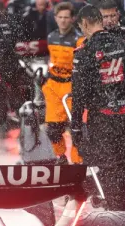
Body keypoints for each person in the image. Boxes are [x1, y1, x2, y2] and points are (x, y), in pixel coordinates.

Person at [71, 5, 125, 211]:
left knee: (107, 167)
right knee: (123, 166)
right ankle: (124, 209)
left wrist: (75, 125)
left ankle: (116, 212)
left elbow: (79, 93)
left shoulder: (84, 51)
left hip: (102, 119)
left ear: (85, 23)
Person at [43, 1, 84, 164]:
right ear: (55, 18)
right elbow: (51, 59)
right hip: (53, 86)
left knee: (76, 128)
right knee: (53, 129)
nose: (63, 20)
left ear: (72, 19)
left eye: (66, 17)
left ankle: (78, 161)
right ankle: (61, 158)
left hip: (71, 86)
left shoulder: (79, 39)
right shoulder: (51, 36)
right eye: (60, 17)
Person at [0, 1, 27, 124]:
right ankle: (18, 114)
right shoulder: (11, 22)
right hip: (10, 59)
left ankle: (2, 117)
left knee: (0, 90)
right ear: (4, 9)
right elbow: (19, 37)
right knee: (14, 87)